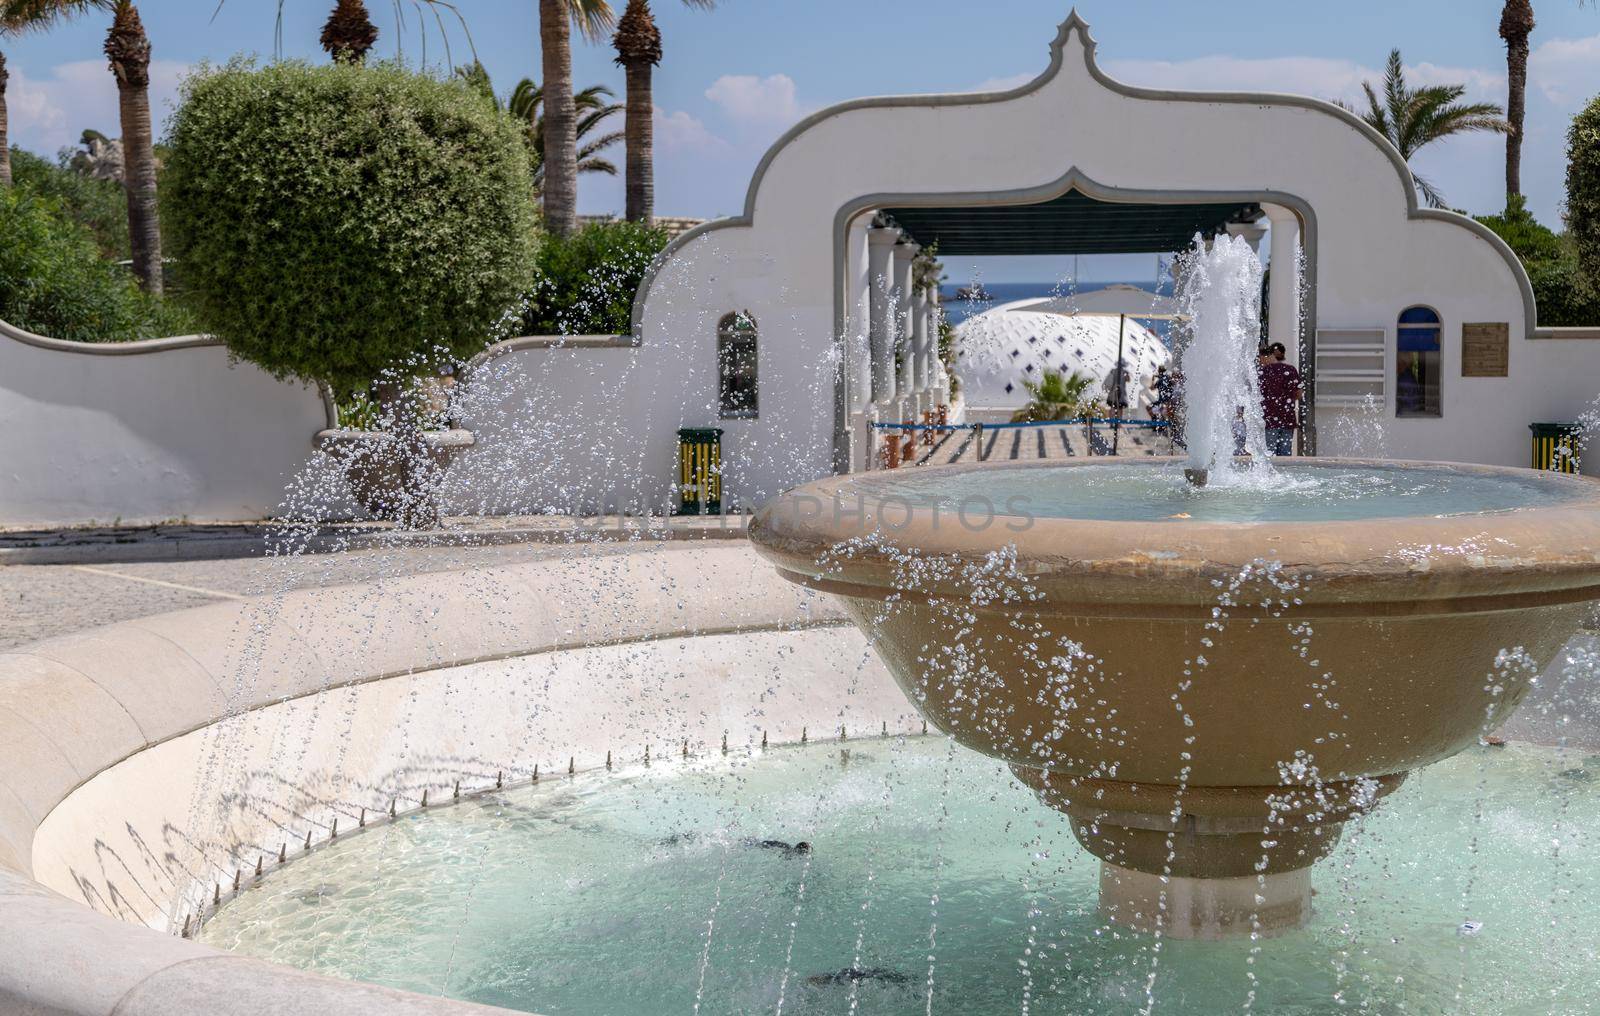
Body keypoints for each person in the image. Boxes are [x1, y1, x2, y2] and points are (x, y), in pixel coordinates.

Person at [1257, 342, 1302, 456]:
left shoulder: (1262, 373)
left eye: (1259, 358)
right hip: (1287, 420)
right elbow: (1299, 393)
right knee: (1285, 456)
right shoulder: (1290, 370)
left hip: (1269, 421)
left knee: (1269, 457)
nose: (1259, 362)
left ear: (1265, 356)